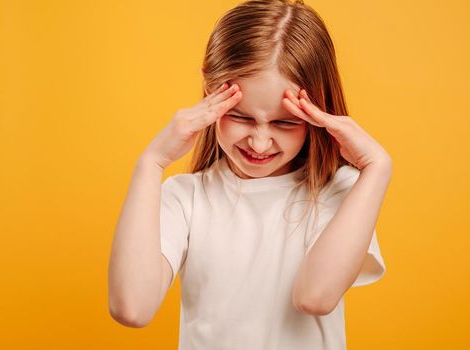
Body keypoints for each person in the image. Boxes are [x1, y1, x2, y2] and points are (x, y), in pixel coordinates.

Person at [107, 0, 392, 349]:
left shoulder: (338, 192)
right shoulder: (186, 197)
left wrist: (377, 168)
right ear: (211, 93)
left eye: (284, 122)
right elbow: (132, 308)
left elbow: (315, 297)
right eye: (241, 117)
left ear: (318, 112)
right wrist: (150, 163)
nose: (259, 141)